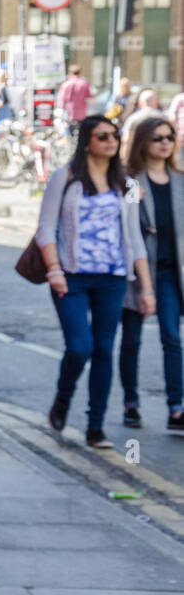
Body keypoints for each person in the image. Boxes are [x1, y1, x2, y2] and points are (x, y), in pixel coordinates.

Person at [37, 115, 153, 448]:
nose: (111, 141)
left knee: (104, 349)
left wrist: (145, 288)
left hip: (112, 278)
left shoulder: (127, 186)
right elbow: (46, 228)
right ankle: (63, 397)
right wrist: (54, 269)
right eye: (103, 136)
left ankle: (95, 426)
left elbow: (134, 236)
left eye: (115, 136)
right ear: (88, 140)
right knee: (80, 346)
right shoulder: (65, 178)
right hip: (70, 277)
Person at [119, 114, 184, 431]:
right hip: (139, 270)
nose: (164, 143)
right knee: (131, 340)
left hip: (172, 272)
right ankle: (131, 403)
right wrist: (130, 198)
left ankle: (176, 408)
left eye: (169, 137)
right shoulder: (131, 181)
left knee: (172, 338)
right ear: (144, 142)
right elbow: (126, 226)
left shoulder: (181, 180)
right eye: (157, 137)